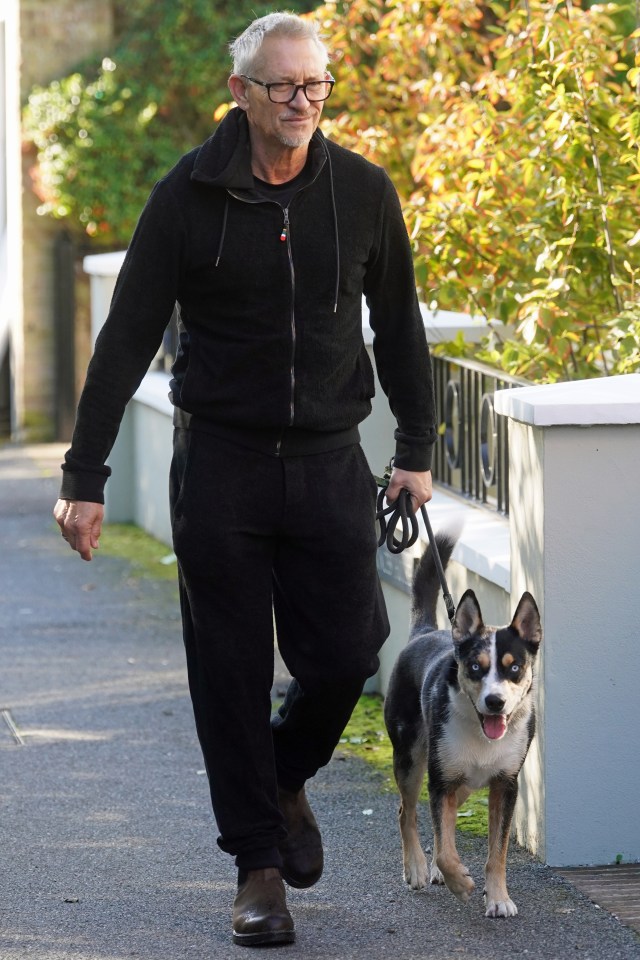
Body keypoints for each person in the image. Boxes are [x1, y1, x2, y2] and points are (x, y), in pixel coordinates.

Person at [54, 12, 436, 948]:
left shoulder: (360, 191)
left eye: (316, 87)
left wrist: (417, 449)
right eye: (282, 87)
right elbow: (125, 339)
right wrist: (84, 473)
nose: (302, 104)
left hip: (325, 463)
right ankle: (258, 870)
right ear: (241, 94)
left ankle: (278, 774)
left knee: (349, 651)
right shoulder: (187, 195)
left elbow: (399, 322)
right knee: (226, 672)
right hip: (221, 466)